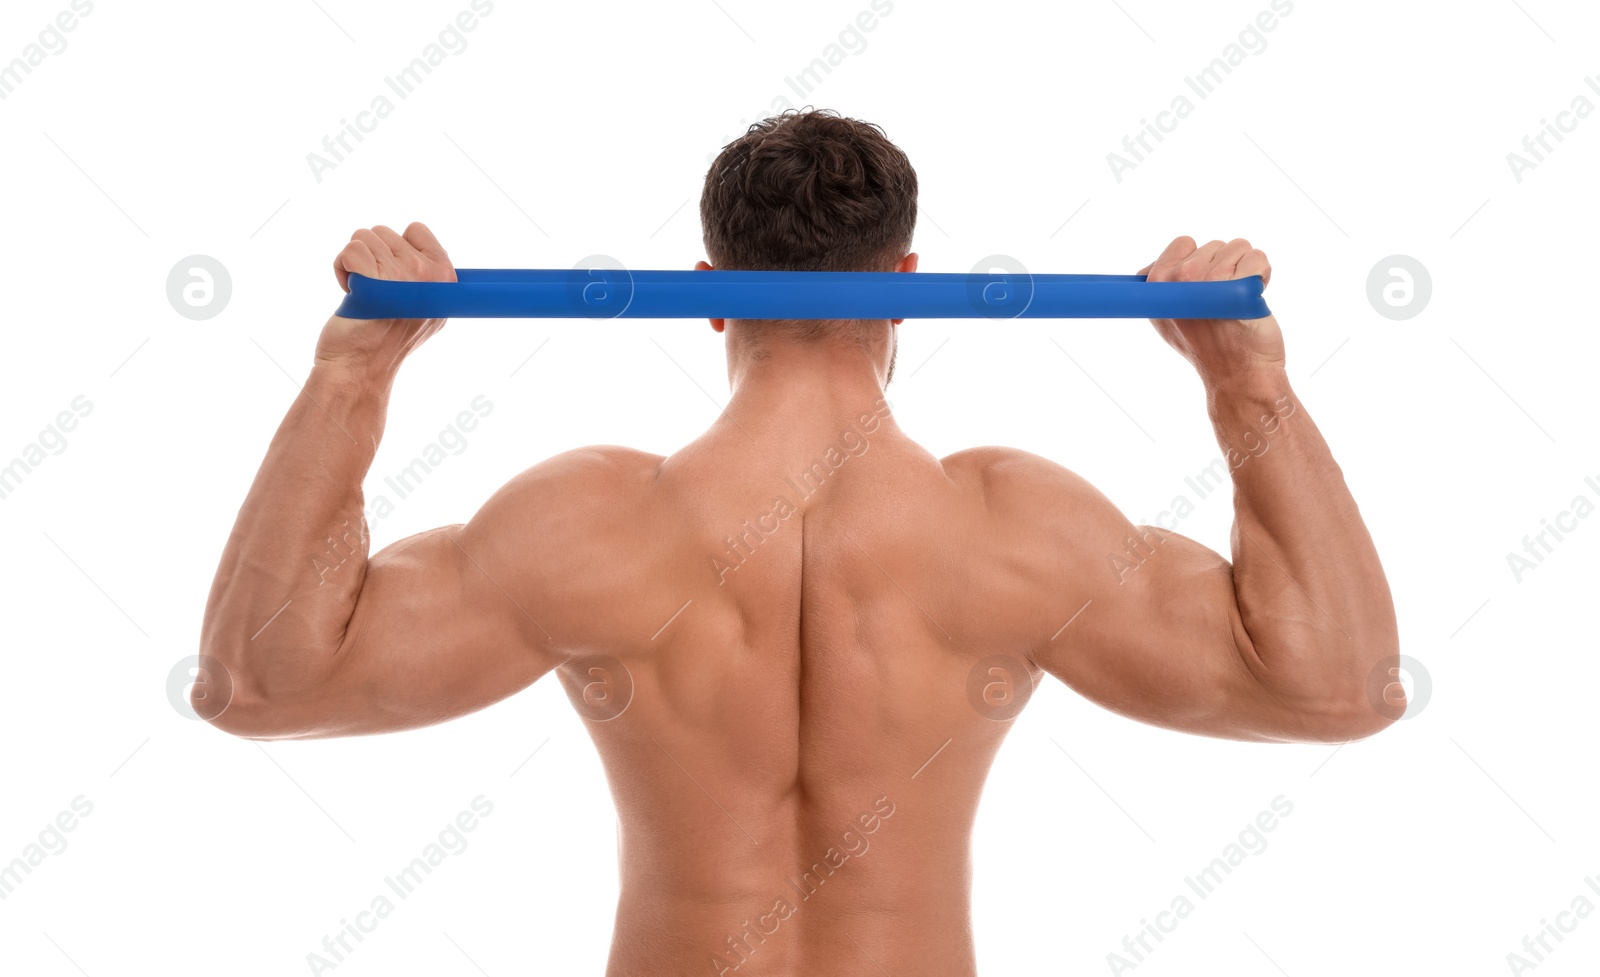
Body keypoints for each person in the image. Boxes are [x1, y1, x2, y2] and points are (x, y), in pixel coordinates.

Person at [198, 107, 1401, 976]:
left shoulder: (583, 526)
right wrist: (1247, 386)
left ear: (711, 287)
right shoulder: (1018, 532)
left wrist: (351, 378)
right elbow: (1340, 689)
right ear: (906, 281)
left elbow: (258, 684)